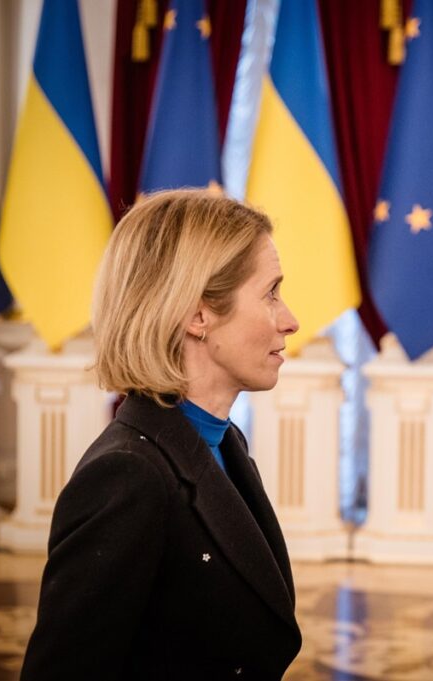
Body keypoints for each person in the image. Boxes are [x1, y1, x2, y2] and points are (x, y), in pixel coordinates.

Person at [21, 190, 301, 680]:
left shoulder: (225, 444)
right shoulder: (127, 476)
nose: (290, 320)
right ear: (197, 315)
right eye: (271, 293)